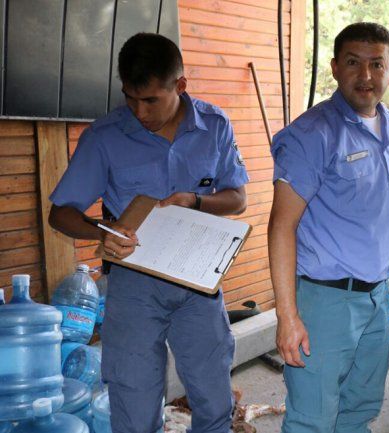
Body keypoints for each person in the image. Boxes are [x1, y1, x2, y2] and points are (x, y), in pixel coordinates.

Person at [48, 33, 248, 433]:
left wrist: (194, 201)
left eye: (151, 100)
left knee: (213, 401)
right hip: (133, 284)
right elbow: (60, 214)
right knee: (135, 405)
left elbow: (237, 198)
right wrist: (100, 232)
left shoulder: (214, 126)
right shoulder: (104, 137)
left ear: (180, 86)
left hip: (198, 286)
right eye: (130, 98)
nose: (139, 111)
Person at [268, 22, 389, 433]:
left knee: (360, 407)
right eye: (354, 63)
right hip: (325, 303)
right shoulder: (311, 135)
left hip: (375, 299)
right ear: (335, 68)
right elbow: (281, 227)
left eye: (377, 64)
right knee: (312, 419)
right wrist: (288, 317)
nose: (366, 76)